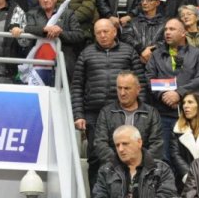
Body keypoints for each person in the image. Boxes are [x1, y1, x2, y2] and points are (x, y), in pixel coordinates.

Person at [72, 21, 146, 185]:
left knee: (126, 153)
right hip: (93, 114)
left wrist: (142, 111)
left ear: (114, 32)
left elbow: (140, 83)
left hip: (122, 111)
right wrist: (78, 114)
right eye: (98, 32)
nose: (102, 35)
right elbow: (77, 85)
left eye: (106, 31)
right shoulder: (86, 53)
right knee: (95, 157)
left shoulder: (129, 51)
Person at [145, 18, 199, 161]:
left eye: (172, 29)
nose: (167, 32)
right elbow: (150, 78)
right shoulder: (156, 55)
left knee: (191, 159)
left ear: (183, 33)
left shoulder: (198, 54)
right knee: (164, 158)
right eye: (166, 29)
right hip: (163, 115)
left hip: (192, 116)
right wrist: (164, 95)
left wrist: (179, 94)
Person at [92, 72, 163, 182]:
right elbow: (100, 143)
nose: (122, 93)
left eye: (127, 88)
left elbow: (157, 144)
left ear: (138, 89)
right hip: (112, 170)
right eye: (119, 88)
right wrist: (118, 164)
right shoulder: (106, 112)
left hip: (143, 171)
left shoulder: (151, 113)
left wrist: (139, 165)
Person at [92, 125, 177, 198]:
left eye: (125, 144)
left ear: (139, 142)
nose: (120, 149)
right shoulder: (106, 171)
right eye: (117, 145)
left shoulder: (161, 170)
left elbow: (167, 195)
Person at [26, 0, 84, 80]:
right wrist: (45, 29)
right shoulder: (32, 13)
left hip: (63, 62)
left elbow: (79, 35)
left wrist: (60, 33)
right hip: (39, 62)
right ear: (38, 0)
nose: (45, 0)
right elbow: (28, 28)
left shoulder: (68, 14)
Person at [122, 0, 166, 65]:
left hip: (159, 63)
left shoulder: (165, 23)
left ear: (157, 3)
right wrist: (141, 49)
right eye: (143, 0)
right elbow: (126, 38)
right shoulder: (132, 22)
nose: (144, 3)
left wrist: (151, 51)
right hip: (135, 62)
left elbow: (168, 41)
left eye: (149, 0)